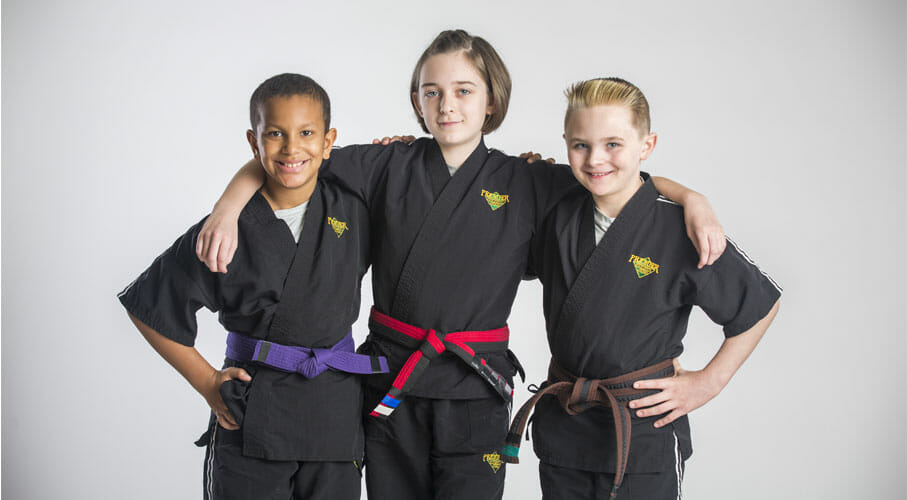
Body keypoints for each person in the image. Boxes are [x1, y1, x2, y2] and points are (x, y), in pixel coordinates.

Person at [195, 31, 725, 500]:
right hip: (391, 382)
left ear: (491, 99)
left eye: (463, 91)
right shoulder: (385, 165)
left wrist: (693, 197)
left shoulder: (527, 180)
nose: (447, 105)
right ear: (417, 101)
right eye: (433, 92)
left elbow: (620, 178)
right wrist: (228, 205)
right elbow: (293, 154)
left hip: (476, 388)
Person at [500, 77, 782, 499]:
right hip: (567, 428)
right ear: (565, 144)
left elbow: (759, 306)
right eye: (581, 145)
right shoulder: (555, 206)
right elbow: (472, 168)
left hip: (642, 427)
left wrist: (709, 382)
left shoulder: (680, 227)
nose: (596, 159)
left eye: (613, 144)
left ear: (646, 146)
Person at [118, 73, 388, 500]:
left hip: (334, 416)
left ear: (328, 140)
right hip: (253, 411)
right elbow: (148, 306)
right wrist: (208, 383)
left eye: (306, 133)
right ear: (253, 141)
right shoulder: (224, 230)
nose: (292, 148)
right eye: (275, 134)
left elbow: (420, 178)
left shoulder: (354, 204)